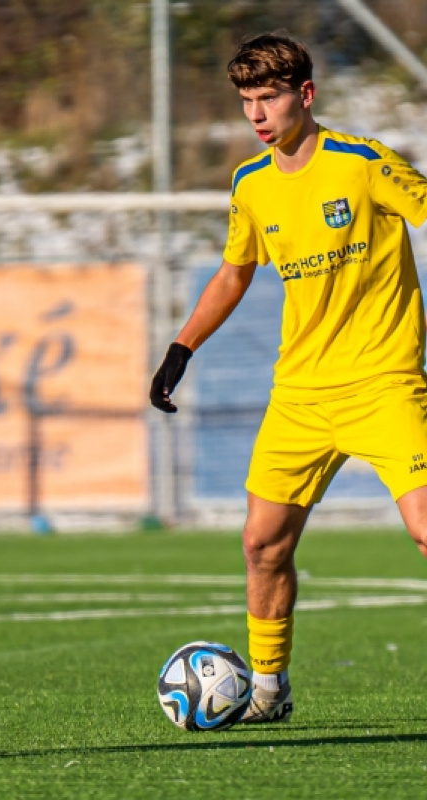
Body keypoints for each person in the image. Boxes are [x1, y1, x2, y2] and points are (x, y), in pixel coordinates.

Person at [150, 31, 427, 723]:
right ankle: (268, 692)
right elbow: (234, 272)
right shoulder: (251, 184)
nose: (257, 115)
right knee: (262, 544)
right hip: (301, 394)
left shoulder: (363, 164)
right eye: (247, 101)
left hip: (384, 380)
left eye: (268, 98)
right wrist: (182, 348)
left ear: (304, 94)